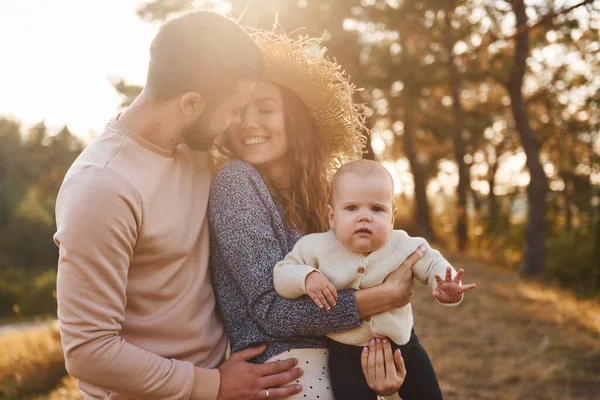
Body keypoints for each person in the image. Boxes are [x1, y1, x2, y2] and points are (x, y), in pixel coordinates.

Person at [54, 11, 307, 400]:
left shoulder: (193, 145)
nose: (238, 122)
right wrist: (211, 385)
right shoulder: (102, 188)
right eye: (235, 109)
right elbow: (88, 352)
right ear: (191, 103)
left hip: (222, 379)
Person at [208, 30, 422, 399]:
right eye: (239, 110)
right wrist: (385, 297)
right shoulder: (236, 182)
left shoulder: (330, 196)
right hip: (285, 371)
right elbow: (272, 311)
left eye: (265, 108)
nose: (248, 122)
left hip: (346, 363)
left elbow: (366, 275)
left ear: (295, 117)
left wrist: (382, 367)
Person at [274, 159, 477, 399]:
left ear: (392, 217)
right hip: (346, 355)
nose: (364, 217)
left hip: (404, 347)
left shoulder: (403, 244)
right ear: (332, 216)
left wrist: (445, 284)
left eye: (377, 209)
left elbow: (433, 262)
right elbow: (282, 273)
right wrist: (307, 276)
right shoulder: (315, 247)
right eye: (351, 208)